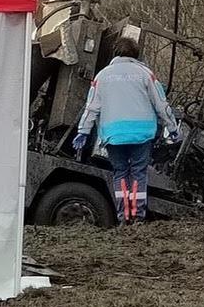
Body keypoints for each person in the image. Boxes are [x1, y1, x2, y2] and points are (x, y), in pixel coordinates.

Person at [72, 36, 180, 224]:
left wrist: (83, 131)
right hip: (142, 133)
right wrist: (172, 128)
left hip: (113, 134)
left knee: (120, 172)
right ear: (136, 54)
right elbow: (161, 104)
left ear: (115, 53)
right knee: (138, 172)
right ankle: (138, 216)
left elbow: (92, 107)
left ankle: (124, 216)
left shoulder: (102, 76)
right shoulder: (146, 74)